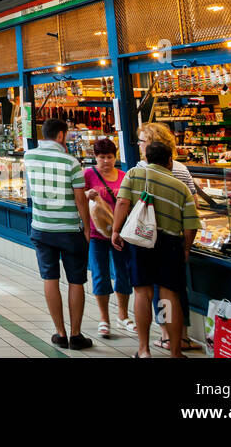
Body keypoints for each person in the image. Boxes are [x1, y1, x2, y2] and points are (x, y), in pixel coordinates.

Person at [112, 140, 202, 358]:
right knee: (170, 296)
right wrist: (186, 248)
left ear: (146, 159)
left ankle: (143, 350)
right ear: (170, 160)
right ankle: (175, 351)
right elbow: (191, 224)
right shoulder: (180, 187)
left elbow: (122, 203)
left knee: (142, 292)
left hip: (140, 242)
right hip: (170, 244)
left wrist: (115, 230)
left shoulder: (133, 174)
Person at [23, 117, 92, 350]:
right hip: (70, 230)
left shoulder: (29, 156)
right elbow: (80, 199)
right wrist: (87, 227)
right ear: (61, 135)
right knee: (76, 281)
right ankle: (76, 334)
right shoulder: (71, 162)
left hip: (42, 228)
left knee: (50, 279)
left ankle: (60, 333)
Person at [84, 138, 133, 338]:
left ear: (116, 157)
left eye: (110, 157)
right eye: (101, 157)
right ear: (95, 157)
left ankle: (123, 315)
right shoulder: (88, 174)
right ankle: (104, 319)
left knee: (123, 273)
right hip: (97, 234)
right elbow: (77, 197)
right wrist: (87, 194)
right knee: (100, 274)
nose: (106, 161)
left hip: (121, 233)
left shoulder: (124, 176)